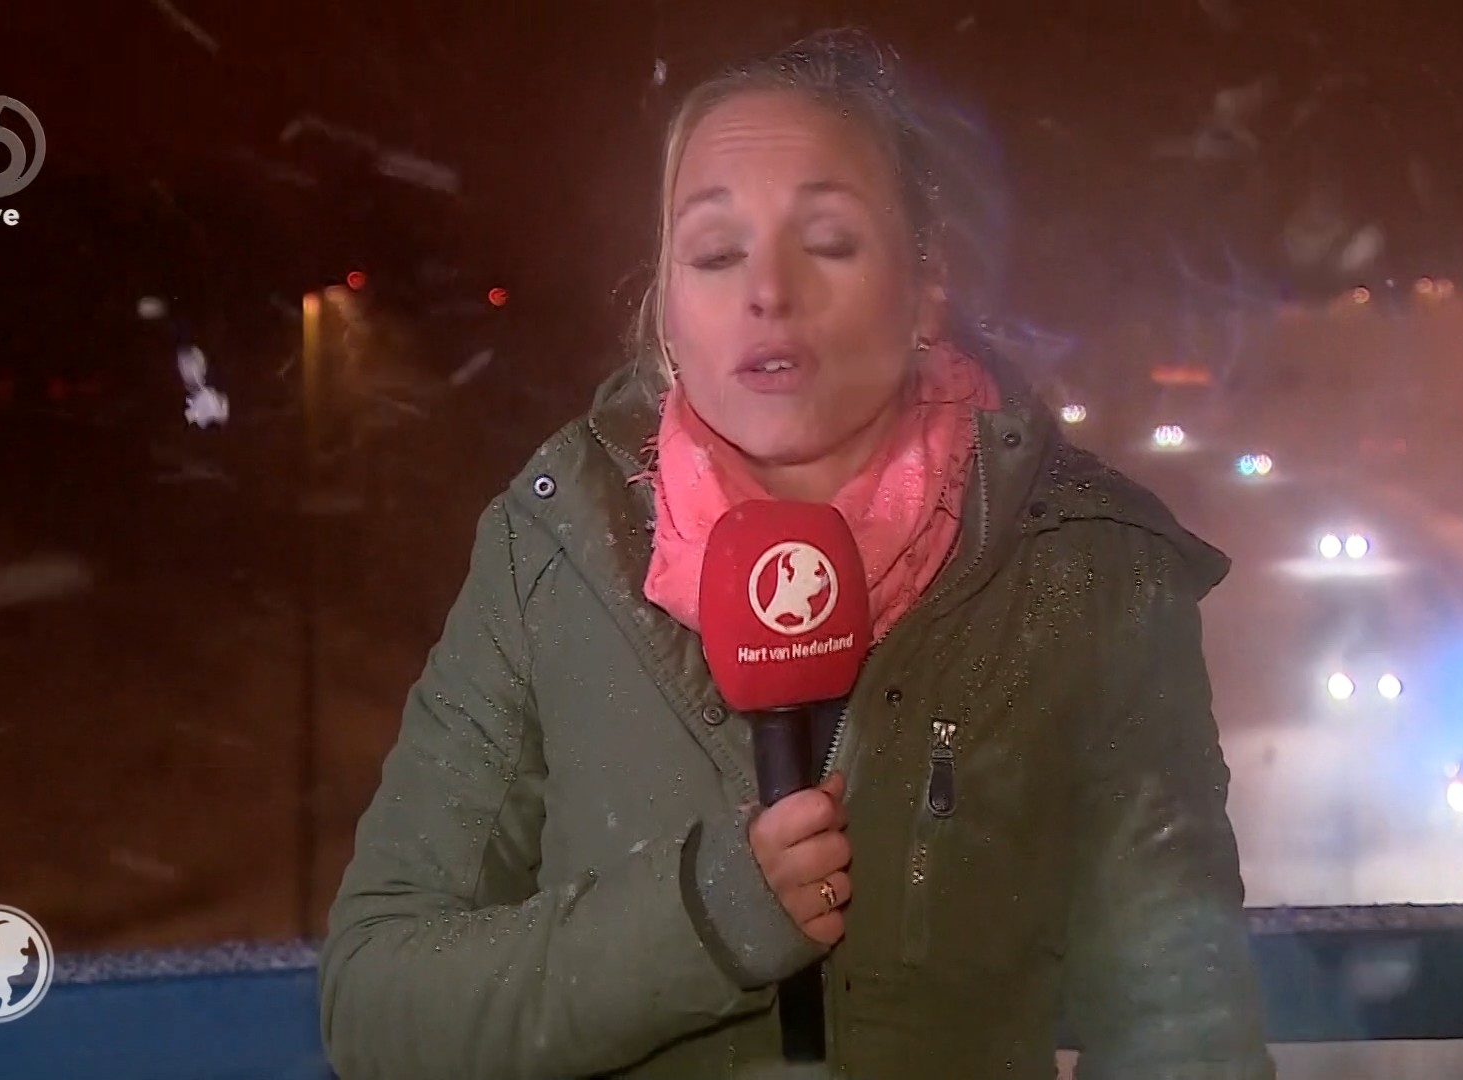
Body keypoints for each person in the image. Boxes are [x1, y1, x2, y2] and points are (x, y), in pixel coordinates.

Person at [320, 28, 1275, 1080]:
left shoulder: (1085, 565)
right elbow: (377, 1002)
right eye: (715, 254)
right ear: (667, 310)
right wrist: (701, 919)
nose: (767, 291)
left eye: (827, 242)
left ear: (925, 283)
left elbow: (1183, 1025)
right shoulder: (552, 548)